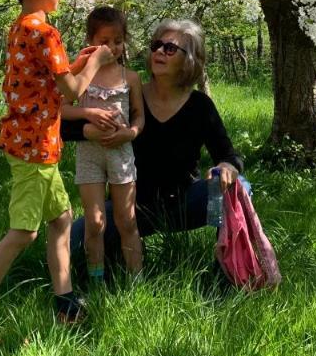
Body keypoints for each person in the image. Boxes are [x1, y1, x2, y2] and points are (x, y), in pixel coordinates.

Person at [0, 0, 115, 333]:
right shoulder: (44, 31)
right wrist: (97, 60)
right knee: (24, 232)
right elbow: (74, 91)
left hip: (31, 141)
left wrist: (78, 60)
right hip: (34, 148)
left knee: (61, 219)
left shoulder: (21, 27)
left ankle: (65, 302)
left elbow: (49, 82)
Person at [63, 18, 246, 270]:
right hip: (129, 205)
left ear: (188, 59)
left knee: (239, 189)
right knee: (73, 243)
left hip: (184, 202)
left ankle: (225, 271)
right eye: (156, 45)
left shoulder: (200, 106)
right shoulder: (128, 93)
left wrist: (227, 167)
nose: (159, 51)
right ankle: (113, 271)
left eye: (170, 49)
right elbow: (61, 126)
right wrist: (90, 130)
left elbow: (228, 154)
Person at [61, 6, 145, 282]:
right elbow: (62, 109)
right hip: (89, 155)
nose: (111, 47)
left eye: (118, 41)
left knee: (126, 220)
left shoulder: (130, 78)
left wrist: (130, 133)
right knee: (95, 222)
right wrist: (88, 113)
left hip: (121, 154)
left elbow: (139, 117)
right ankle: (95, 278)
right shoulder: (81, 75)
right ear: (91, 42)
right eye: (103, 41)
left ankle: (136, 280)